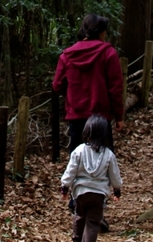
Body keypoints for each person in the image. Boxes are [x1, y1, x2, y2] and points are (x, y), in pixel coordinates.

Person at [52, 13, 124, 153]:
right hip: (101, 119)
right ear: (100, 32)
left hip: (76, 116)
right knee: (103, 162)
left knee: (77, 163)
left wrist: (73, 93)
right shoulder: (108, 53)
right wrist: (119, 117)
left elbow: (57, 85)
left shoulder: (67, 56)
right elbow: (115, 88)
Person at [60, 114, 122, 242]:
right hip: (98, 194)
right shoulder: (109, 155)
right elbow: (114, 175)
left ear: (87, 131)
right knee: (93, 222)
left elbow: (70, 171)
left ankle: (77, 241)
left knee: (79, 214)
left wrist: (65, 187)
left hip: (80, 192)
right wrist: (117, 189)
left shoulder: (79, 151)